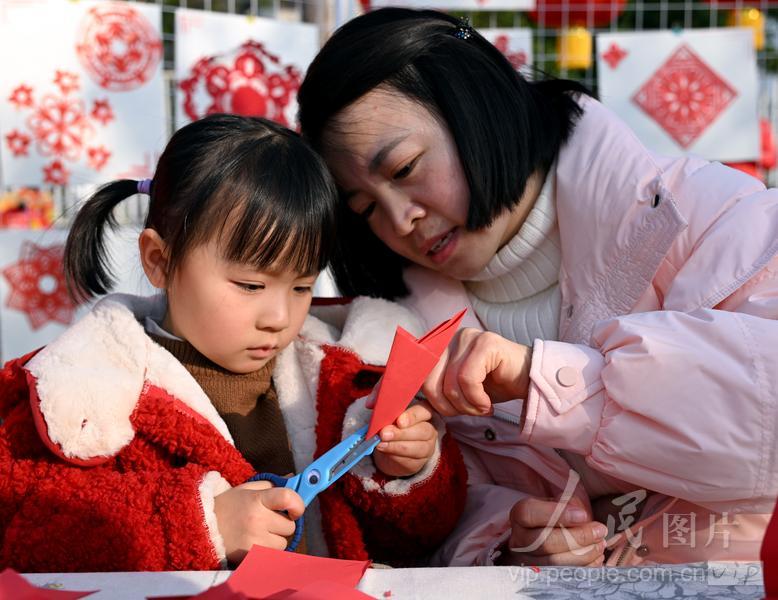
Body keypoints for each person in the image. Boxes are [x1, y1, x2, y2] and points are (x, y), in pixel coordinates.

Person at [297, 8, 778, 567]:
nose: (400, 219)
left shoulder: (709, 212)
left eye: (404, 169)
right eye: (366, 207)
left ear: (476, 105)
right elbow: (450, 517)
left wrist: (544, 380)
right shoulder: (391, 338)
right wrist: (511, 546)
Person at [0, 114, 466, 572]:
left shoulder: (345, 376)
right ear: (159, 260)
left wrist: (406, 472)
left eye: (302, 287)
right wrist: (202, 525)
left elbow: (421, 539)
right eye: (249, 285)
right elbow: (23, 526)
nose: (279, 318)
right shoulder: (82, 391)